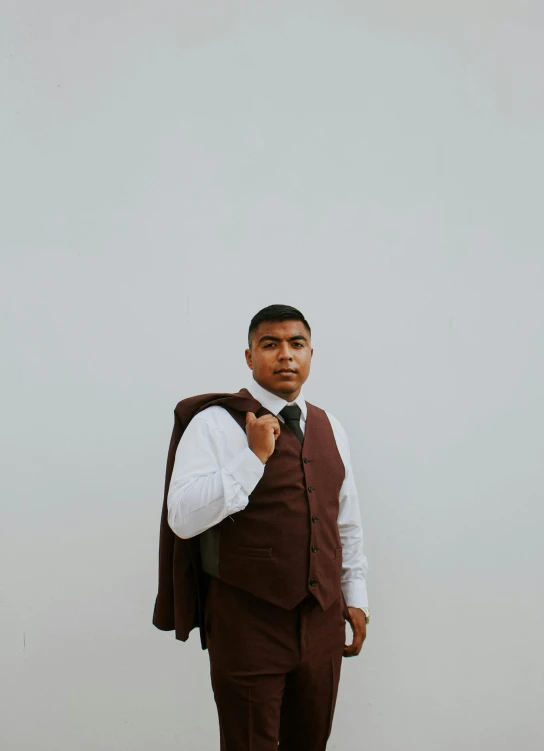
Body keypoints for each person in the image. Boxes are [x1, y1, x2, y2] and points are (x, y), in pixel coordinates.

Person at [155, 303, 370, 751]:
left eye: (297, 344)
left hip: (322, 621)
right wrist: (250, 459)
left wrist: (356, 597)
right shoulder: (214, 423)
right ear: (250, 357)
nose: (286, 355)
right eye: (270, 345)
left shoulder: (333, 427)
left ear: (311, 354)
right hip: (247, 623)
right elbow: (182, 517)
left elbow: (344, 521)